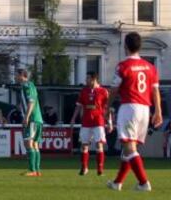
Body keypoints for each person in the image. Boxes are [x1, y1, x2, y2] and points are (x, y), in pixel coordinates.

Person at [107, 32, 162, 192]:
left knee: (129, 148)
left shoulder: (123, 66)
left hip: (130, 107)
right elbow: (155, 91)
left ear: (125, 46)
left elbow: (114, 90)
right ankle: (117, 183)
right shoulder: (150, 67)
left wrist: (107, 108)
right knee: (129, 148)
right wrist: (157, 111)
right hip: (145, 109)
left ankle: (144, 183)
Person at [69, 71, 111, 176]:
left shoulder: (103, 91)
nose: (86, 80)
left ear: (94, 79)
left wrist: (109, 122)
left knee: (99, 144)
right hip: (86, 121)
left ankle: (100, 169)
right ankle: (84, 168)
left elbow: (107, 108)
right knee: (84, 145)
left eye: (87, 78)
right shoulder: (84, 91)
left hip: (98, 121)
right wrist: (73, 118)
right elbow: (79, 106)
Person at [16, 68, 44, 177]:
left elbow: (31, 102)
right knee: (35, 144)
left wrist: (26, 117)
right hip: (38, 118)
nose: (15, 77)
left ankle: (32, 170)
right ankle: (37, 170)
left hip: (32, 118)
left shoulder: (26, 86)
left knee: (28, 142)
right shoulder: (31, 85)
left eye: (16, 75)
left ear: (21, 75)